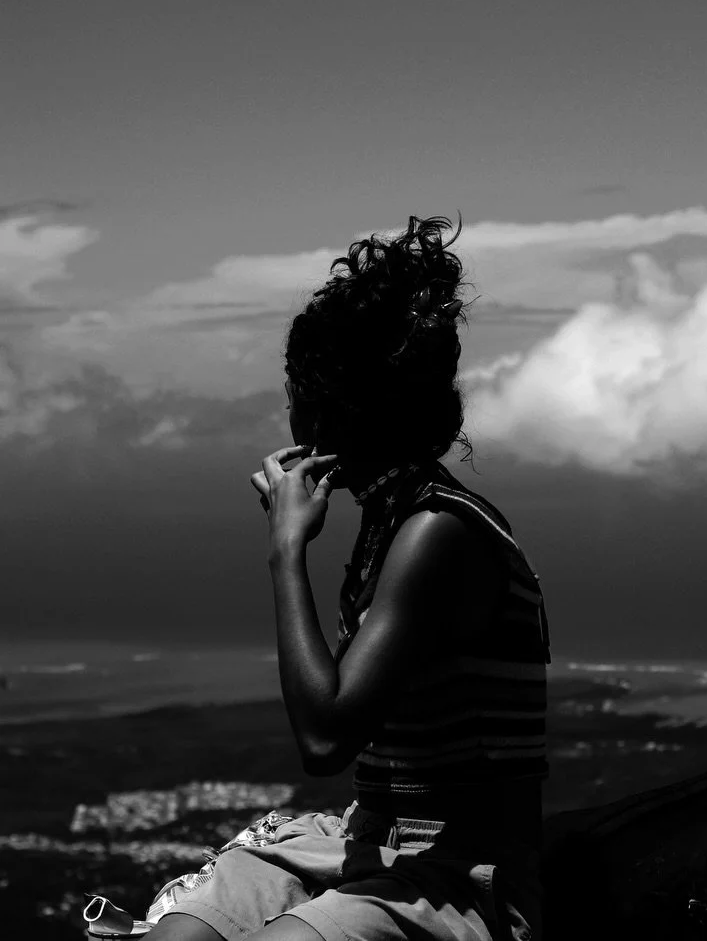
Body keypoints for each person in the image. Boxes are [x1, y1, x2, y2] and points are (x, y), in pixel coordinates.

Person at [147, 215, 551, 941]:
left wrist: (287, 549)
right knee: (182, 935)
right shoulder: (392, 522)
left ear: (333, 408)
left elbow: (326, 736)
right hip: (365, 841)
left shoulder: (438, 532)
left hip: (461, 871)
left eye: (300, 391)